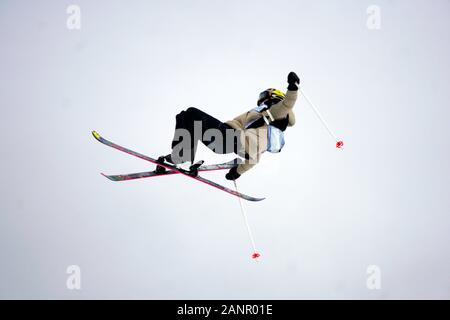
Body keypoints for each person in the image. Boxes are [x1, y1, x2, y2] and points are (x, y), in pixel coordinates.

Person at [156, 71, 300, 180]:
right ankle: (180, 156)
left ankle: (182, 157)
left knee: (191, 113)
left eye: (263, 96)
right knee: (184, 116)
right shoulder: (263, 129)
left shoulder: (275, 111)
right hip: (224, 142)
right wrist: (237, 172)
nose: (260, 101)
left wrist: (292, 86)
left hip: (229, 138)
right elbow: (254, 159)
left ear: (274, 97)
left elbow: (288, 103)